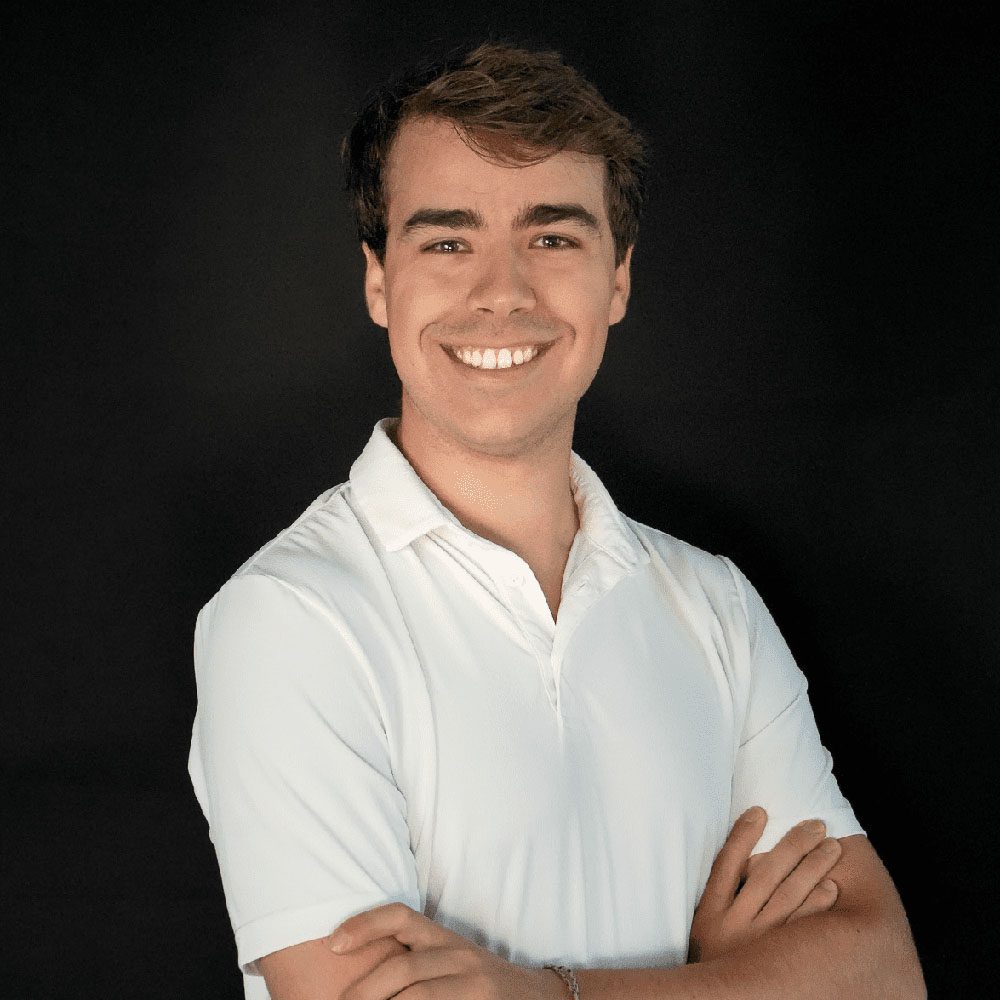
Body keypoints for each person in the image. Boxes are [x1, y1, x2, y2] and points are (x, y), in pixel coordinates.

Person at [188, 42, 925, 1000]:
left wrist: (543, 993)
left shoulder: (716, 606)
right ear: (378, 282)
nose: (502, 290)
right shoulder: (288, 619)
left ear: (618, 279)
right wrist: (720, 979)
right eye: (447, 241)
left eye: (553, 238)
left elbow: (883, 971)